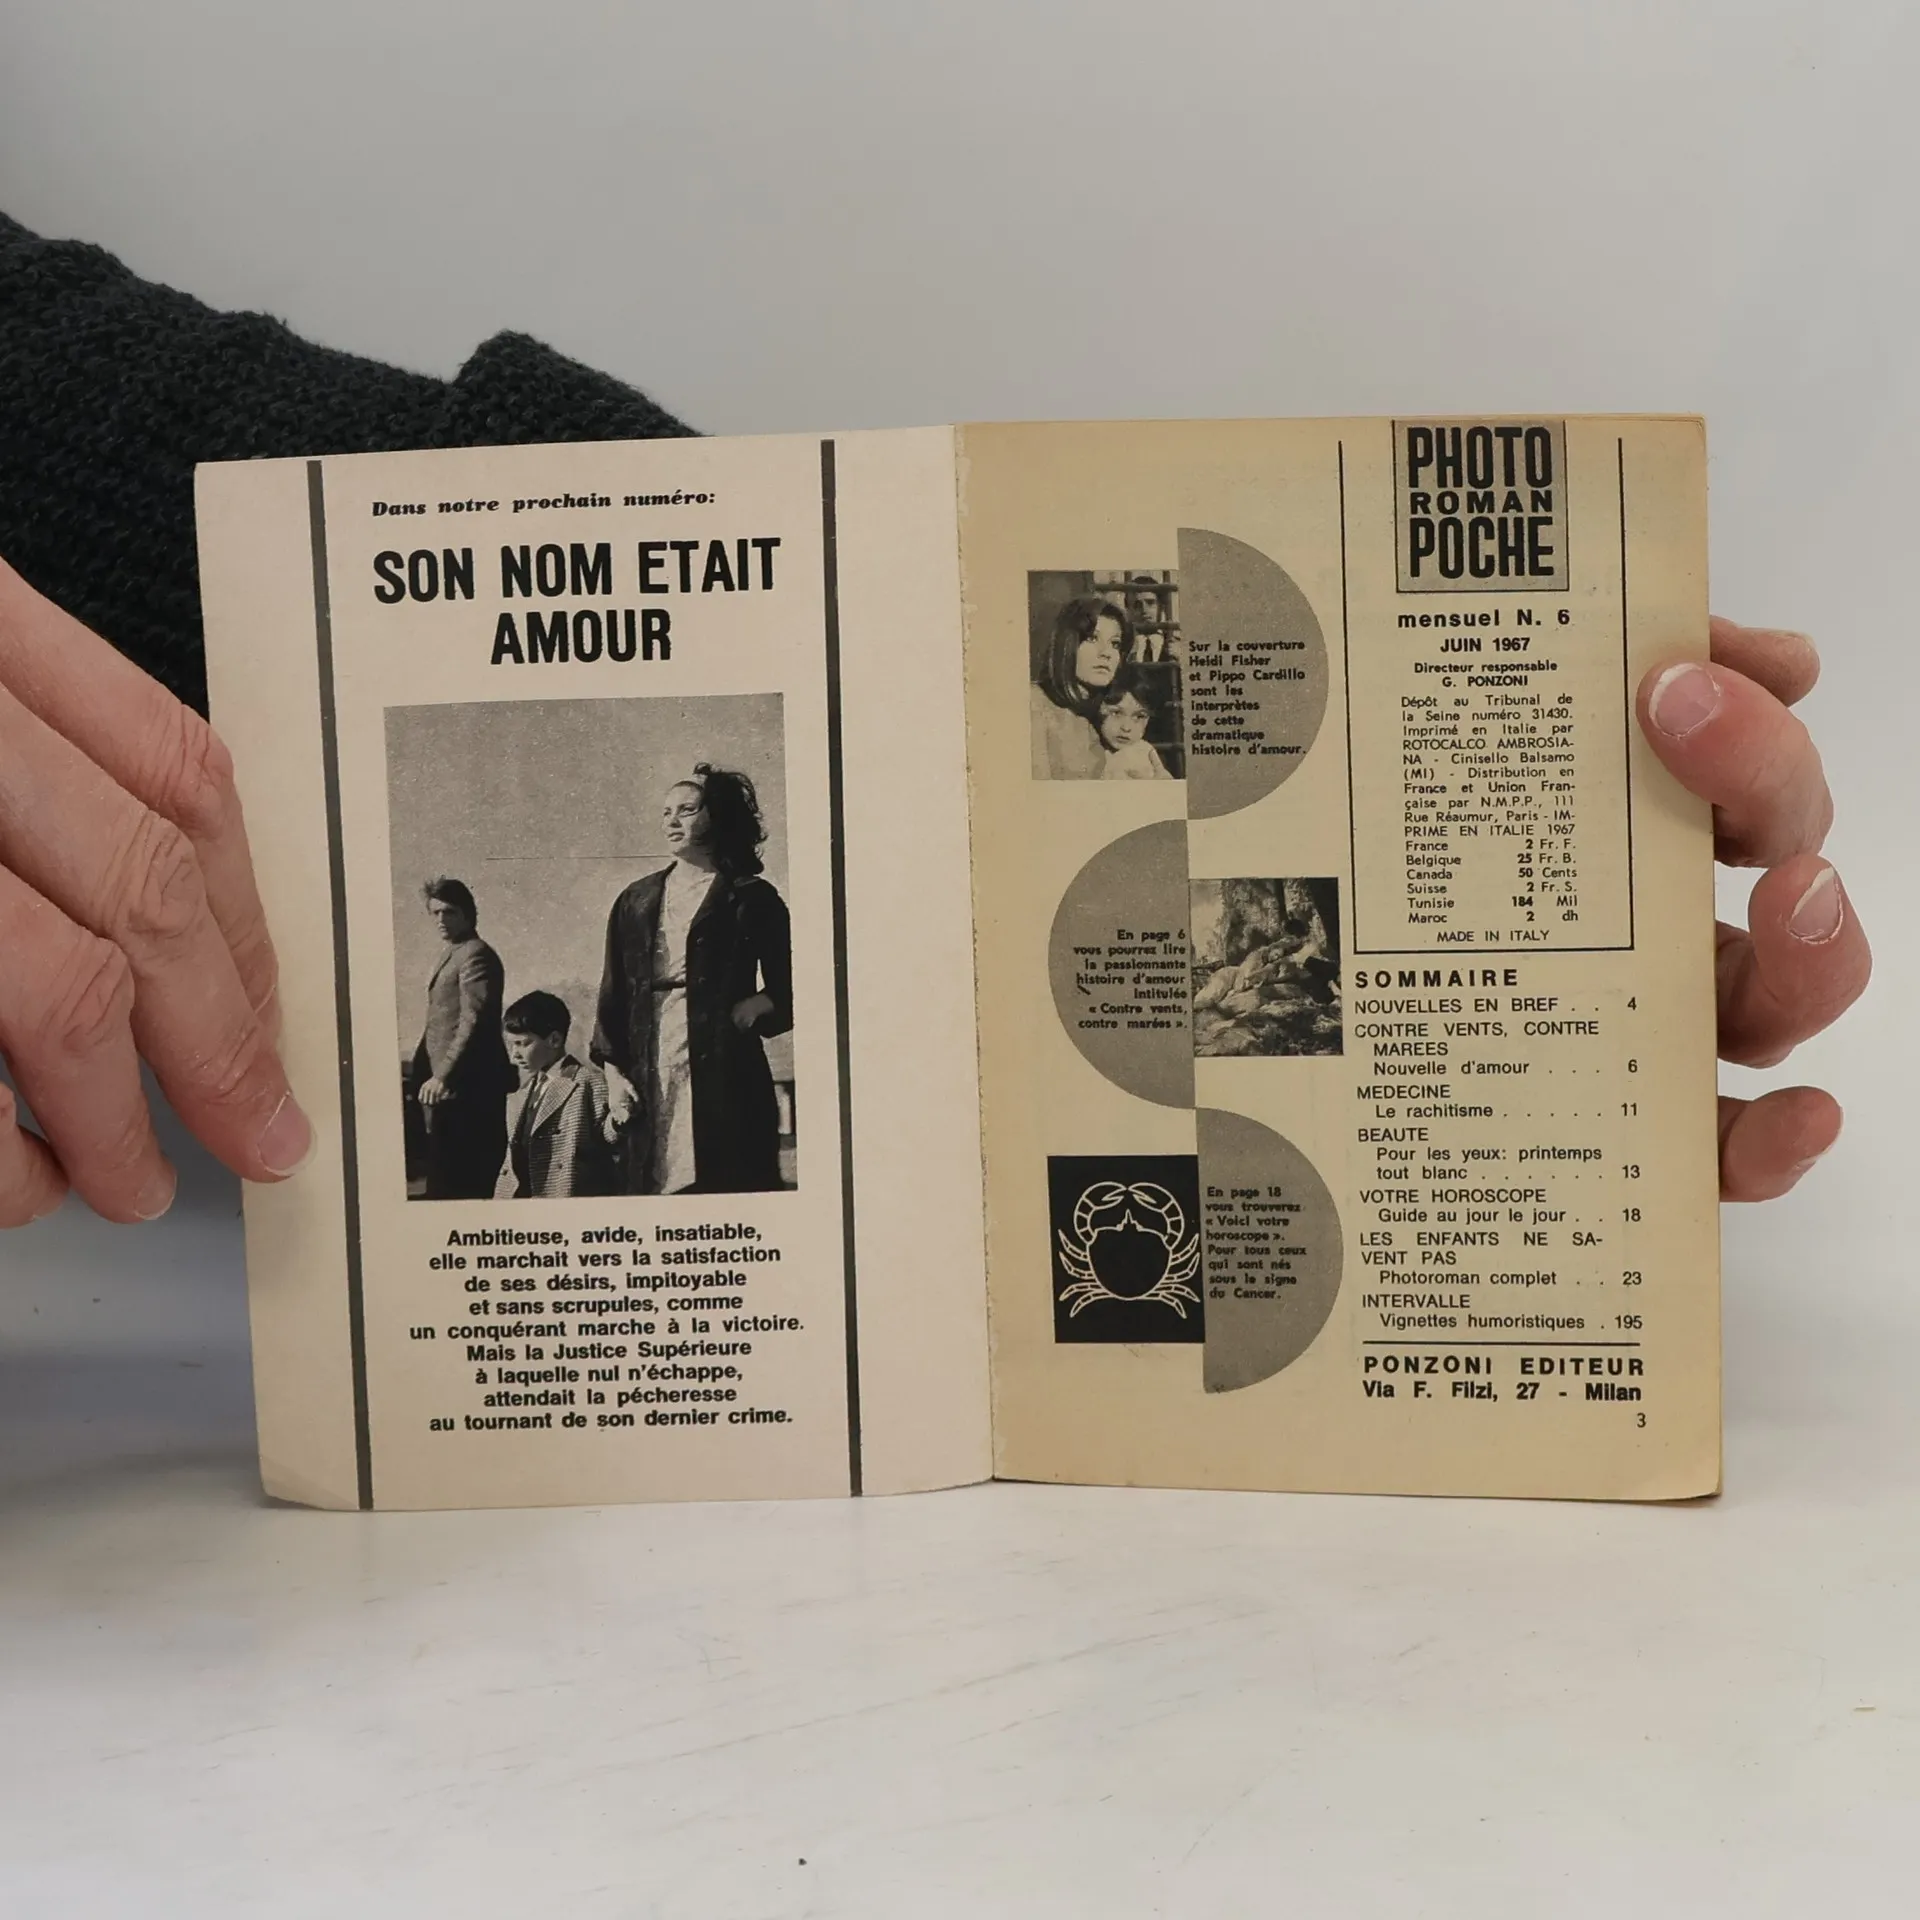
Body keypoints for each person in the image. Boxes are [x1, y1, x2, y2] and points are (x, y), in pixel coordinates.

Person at [0, 212, 1872, 1221]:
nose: (677, 824)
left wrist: (901, 665)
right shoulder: (624, 915)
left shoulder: (750, 892)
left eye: (697, 799)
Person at [591, 766, 793, 1195]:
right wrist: (613, 1075)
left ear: (716, 816)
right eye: (666, 812)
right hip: (649, 1062)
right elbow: (613, 994)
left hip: (726, 1065)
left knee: (727, 1182)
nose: (672, 820)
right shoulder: (635, 899)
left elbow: (794, 985)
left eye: (686, 810)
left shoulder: (752, 896)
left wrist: (757, 1004)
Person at [409, 879, 515, 1201]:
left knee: (461, 1184)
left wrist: (442, 1075)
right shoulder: (452, 953)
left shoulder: (475, 954)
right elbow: (440, 1022)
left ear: (468, 914)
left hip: (468, 1089)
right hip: (446, 1092)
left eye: (450, 912)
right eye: (435, 913)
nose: (441, 920)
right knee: (443, 1180)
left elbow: (473, 1020)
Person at [496, 991, 618, 1200]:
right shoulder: (525, 1090)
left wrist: (619, 1118)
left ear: (554, 1040)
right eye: (511, 1045)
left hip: (564, 1199)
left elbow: (609, 1136)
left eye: (522, 1044)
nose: (514, 1056)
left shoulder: (587, 1082)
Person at [1031, 596, 1131, 778]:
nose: (1106, 653)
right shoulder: (1034, 703)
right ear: (1067, 644)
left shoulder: (1108, 715)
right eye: (1092, 638)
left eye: (1115, 644)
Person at [1094, 665, 1175, 780]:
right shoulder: (1087, 748)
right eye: (1116, 713)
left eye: (1139, 716)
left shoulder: (1146, 753)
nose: (1126, 728)